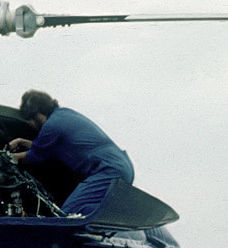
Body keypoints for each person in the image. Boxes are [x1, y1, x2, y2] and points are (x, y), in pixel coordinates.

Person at [8, 89, 134, 220]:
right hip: (122, 167)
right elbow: (44, 149)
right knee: (89, 210)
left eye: (30, 119)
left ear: (38, 114)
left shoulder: (52, 125)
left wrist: (6, 157)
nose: (30, 124)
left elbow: (35, 156)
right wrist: (21, 142)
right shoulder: (63, 115)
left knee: (67, 214)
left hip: (108, 170)